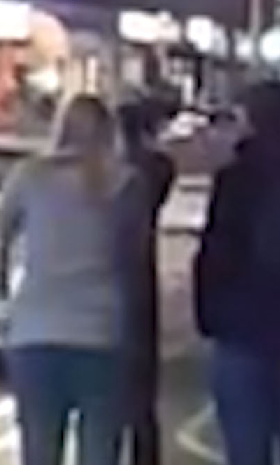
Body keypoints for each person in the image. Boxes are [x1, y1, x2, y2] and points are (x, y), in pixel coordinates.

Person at [0, 93, 127, 465]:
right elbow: (134, 256)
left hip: (36, 329)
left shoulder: (30, 176)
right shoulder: (123, 183)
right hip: (101, 333)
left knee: (39, 448)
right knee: (99, 448)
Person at [194, 79, 280, 465]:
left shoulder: (237, 179)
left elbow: (215, 252)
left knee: (246, 450)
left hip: (243, 329)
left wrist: (209, 316)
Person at [115, 97, 176, 465]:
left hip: (119, 277)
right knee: (140, 390)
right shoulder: (155, 167)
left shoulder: (132, 172)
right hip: (138, 279)